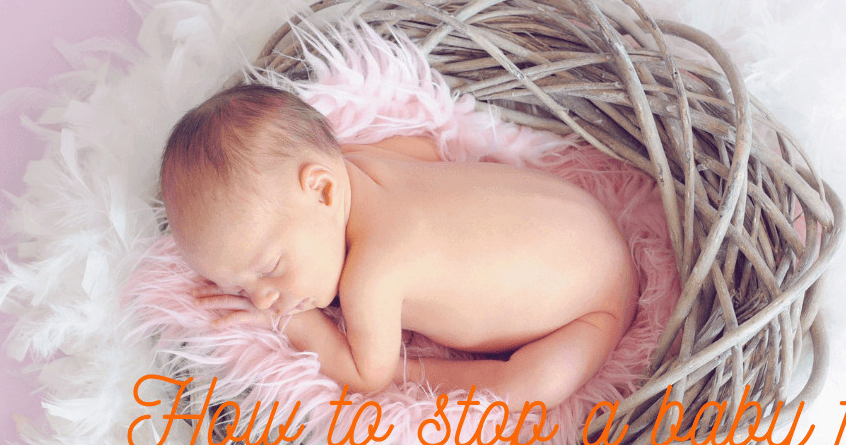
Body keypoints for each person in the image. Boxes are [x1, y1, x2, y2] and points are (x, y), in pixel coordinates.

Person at [161, 84, 638, 409]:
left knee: (527, 388)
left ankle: (431, 372)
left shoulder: (372, 273)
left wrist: (301, 324)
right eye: (239, 287)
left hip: (594, 309)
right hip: (583, 213)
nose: (263, 298)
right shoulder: (359, 162)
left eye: (270, 268)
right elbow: (426, 151)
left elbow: (367, 374)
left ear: (323, 191)